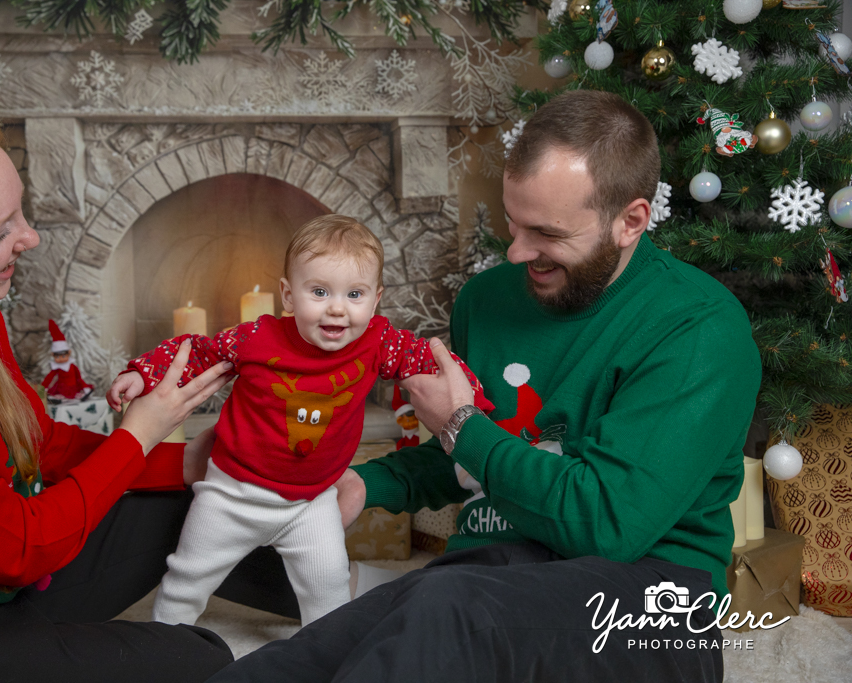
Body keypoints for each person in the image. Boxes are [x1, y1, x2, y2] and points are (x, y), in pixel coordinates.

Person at [207, 90, 761, 683]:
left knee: (442, 608)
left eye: (546, 233)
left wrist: (460, 424)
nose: (518, 252)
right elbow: (476, 459)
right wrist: (363, 484)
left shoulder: (698, 329)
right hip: (489, 570)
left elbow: (606, 524)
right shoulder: (486, 301)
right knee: (312, 651)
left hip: (648, 603)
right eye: (512, 223)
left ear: (630, 221)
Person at [0, 106, 282, 683]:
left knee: (197, 505)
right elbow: (23, 547)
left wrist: (192, 462)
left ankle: (344, 594)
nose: (31, 237)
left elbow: (36, 444)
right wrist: (137, 435)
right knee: (201, 658)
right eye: (1, 232)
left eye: (21, 212)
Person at [108, 215, 493, 627]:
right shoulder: (256, 338)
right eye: (320, 291)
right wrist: (144, 373)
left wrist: (471, 403)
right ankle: (162, 642)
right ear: (289, 295)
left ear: (375, 300)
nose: (337, 308)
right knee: (187, 579)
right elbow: (198, 352)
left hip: (311, 503)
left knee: (328, 588)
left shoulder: (378, 341)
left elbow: (429, 361)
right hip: (230, 494)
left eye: (355, 294)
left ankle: (325, 652)